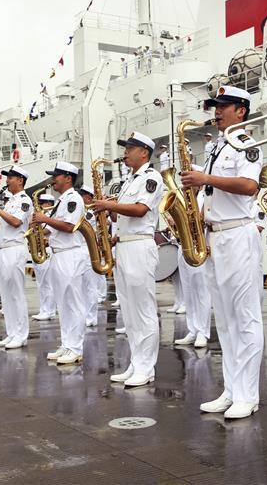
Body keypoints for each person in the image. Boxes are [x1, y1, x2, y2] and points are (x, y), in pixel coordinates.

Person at [181, 85, 264, 420]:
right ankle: (231, 390)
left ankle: (248, 395)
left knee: (245, 318)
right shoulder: (217, 147)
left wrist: (204, 178)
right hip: (216, 238)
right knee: (226, 322)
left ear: (240, 111)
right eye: (215, 106)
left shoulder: (245, 145)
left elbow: (249, 186)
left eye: (223, 106)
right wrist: (196, 213)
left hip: (238, 236)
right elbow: (212, 192)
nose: (217, 111)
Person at [92, 132, 164, 387]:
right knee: (130, 312)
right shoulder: (127, 182)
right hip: (124, 246)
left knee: (143, 310)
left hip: (140, 247)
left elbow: (140, 210)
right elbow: (120, 218)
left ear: (144, 152)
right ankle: (136, 363)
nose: (125, 152)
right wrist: (109, 215)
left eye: (130, 148)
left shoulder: (150, 178)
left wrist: (108, 206)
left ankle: (147, 367)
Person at [34, 162, 91, 364]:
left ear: (68, 178)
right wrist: (39, 230)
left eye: (56, 175)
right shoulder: (62, 201)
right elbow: (55, 228)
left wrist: (44, 219)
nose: (53, 179)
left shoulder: (73, 199)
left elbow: (69, 226)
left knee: (73, 303)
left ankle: (75, 348)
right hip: (59, 254)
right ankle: (67, 344)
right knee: (63, 303)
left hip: (71, 255)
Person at [0, 166, 33, 349]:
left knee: (16, 294)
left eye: (11, 177)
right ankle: (12, 333)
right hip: (3, 249)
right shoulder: (11, 202)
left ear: (20, 180)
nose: (7, 180)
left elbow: (15, 221)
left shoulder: (24, 200)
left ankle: (21, 334)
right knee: (5, 295)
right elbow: (1, 227)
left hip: (14, 249)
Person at [173, 166, 212, 349]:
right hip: (184, 245)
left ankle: (203, 332)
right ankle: (192, 329)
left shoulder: (204, 196)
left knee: (201, 290)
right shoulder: (186, 197)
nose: (185, 183)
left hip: (199, 245)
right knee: (188, 290)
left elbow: (202, 218)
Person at [79, 184, 106, 323]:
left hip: (89, 248)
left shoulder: (89, 213)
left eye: (83, 195)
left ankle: (92, 317)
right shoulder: (84, 210)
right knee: (84, 286)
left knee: (91, 286)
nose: (81, 197)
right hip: (82, 248)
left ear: (89, 197)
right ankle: (86, 315)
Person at [30, 193, 57, 321]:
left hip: (47, 250)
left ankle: (50, 311)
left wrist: (36, 225)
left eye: (41, 204)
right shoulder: (40, 217)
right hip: (38, 250)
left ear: (48, 204)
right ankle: (43, 309)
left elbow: (45, 232)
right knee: (40, 283)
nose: (39, 206)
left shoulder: (52, 217)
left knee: (48, 283)